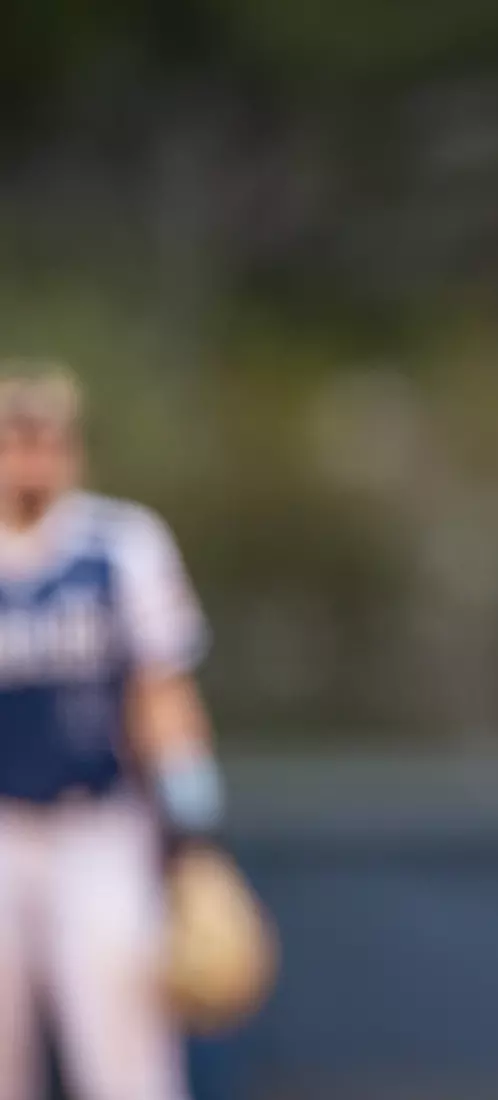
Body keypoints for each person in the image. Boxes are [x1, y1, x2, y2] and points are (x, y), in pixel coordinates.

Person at [0, 366, 226, 1100]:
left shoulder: (121, 544)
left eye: (48, 440)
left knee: (127, 1062)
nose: (32, 458)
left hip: (96, 830)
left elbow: (162, 696)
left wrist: (193, 833)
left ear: (74, 449)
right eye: (15, 439)